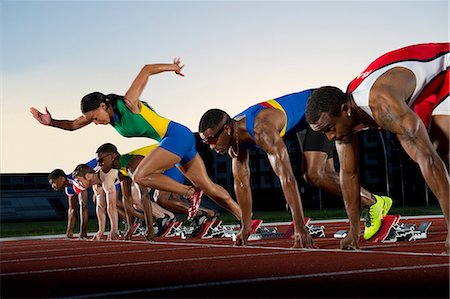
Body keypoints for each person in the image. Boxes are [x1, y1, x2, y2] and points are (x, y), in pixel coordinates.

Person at [30, 58, 242, 226]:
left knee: (140, 176)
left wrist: (173, 67)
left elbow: (147, 69)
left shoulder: (128, 102)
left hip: (176, 136)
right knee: (209, 186)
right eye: (91, 119)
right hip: (177, 140)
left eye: (95, 117)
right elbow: (74, 125)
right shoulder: (103, 115)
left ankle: (189, 193)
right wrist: (51, 123)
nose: (94, 122)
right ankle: (248, 220)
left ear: (104, 106)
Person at [305, 42, 449, 252]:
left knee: (436, 151)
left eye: (330, 128)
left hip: (446, 70)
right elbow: (349, 174)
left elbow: (428, 158)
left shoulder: (383, 104)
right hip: (421, 91)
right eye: (323, 133)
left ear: (345, 110)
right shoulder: (345, 118)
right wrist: (354, 232)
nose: (330, 136)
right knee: (432, 153)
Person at [199, 91, 392, 247]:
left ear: (227, 129)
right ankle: (375, 201)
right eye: (206, 142)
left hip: (318, 112)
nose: (211, 146)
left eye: (212, 140)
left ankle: (373, 202)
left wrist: (300, 226)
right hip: (302, 123)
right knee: (323, 174)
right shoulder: (235, 144)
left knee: (314, 174)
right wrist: (246, 227)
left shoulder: (261, 130)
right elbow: (241, 182)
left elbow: (287, 178)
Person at [96, 142, 217, 238]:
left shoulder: (132, 165)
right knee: (165, 199)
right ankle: (206, 214)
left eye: (100, 160)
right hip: (167, 164)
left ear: (112, 156)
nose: (99, 165)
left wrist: (150, 228)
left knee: (162, 200)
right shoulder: (121, 170)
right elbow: (126, 199)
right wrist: (130, 227)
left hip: (173, 164)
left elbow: (145, 197)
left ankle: (203, 214)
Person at [73, 164, 122, 240]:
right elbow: (100, 207)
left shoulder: (106, 178)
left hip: (129, 174)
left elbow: (111, 205)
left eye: (79, 181)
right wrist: (100, 231)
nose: (79, 184)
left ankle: (142, 221)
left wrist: (114, 230)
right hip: (118, 179)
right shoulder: (96, 184)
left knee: (136, 202)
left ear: (88, 176)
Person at [48, 169, 89, 239]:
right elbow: (72, 209)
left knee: (83, 205)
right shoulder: (68, 189)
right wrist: (69, 231)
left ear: (61, 179)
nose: (53, 186)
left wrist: (83, 232)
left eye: (53, 182)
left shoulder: (75, 180)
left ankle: (84, 231)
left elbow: (84, 206)